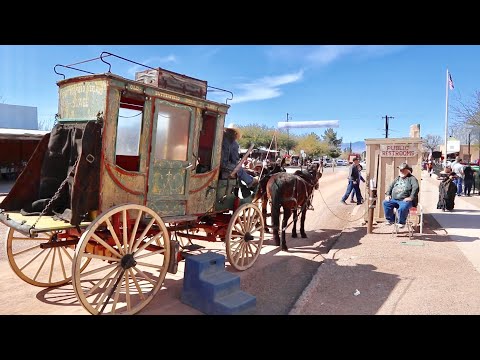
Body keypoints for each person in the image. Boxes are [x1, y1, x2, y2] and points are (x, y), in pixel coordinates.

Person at [383, 162, 419, 228]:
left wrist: (411, 197)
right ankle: (390, 219)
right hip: (394, 199)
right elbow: (391, 186)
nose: (401, 171)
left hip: (405, 200)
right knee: (386, 203)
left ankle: (401, 222)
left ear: (408, 171)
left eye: (403, 170)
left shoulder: (412, 179)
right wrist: (388, 194)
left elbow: (415, 188)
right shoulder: (397, 178)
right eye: (400, 170)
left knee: (403, 207)